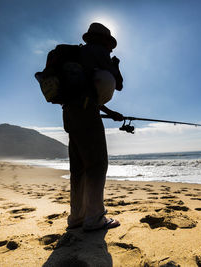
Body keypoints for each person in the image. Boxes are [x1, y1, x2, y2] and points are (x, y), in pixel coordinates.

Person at [62, 22, 123, 231]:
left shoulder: (78, 54)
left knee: (78, 169)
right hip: (87, 115)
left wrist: (110, 113)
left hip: (70, 115)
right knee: (97, 165)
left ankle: (77, 217)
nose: (111, 49)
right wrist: (115, 64)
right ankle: (95, 218)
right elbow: (119, 83)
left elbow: (85, 94)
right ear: (103, 40)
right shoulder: (97, 51)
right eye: (110, 44)